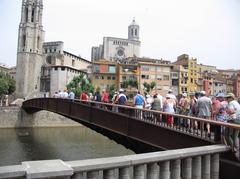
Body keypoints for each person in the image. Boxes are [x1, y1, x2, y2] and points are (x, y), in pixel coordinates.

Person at [225, 93, 240, 159]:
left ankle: (233, 148)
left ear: (231, 98)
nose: (226, 99)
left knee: (227, 135)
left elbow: (231, 111)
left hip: (232, 120)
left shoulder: (231, 103)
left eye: (227, 98)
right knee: (235, 136)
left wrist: (227, 111)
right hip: (238, 121)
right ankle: (237, 149)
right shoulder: (237, 103)